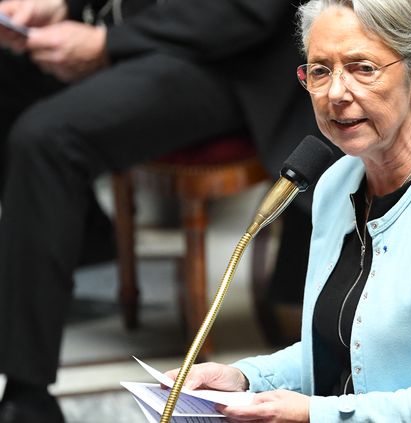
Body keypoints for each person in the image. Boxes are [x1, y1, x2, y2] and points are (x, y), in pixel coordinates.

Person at [162, 0, 411, 421]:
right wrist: (245, 378)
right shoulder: (336, 184)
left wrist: (316, 414)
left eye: (362, 68)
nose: (336, 93)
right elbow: (351, 347)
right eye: (320, 70)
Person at [0, 1, 325, 422]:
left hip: (225, 58)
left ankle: (28, 394)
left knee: (46, 137)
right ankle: (85, 236)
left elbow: (245, 11)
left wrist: (106, 42)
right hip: (136, 34)